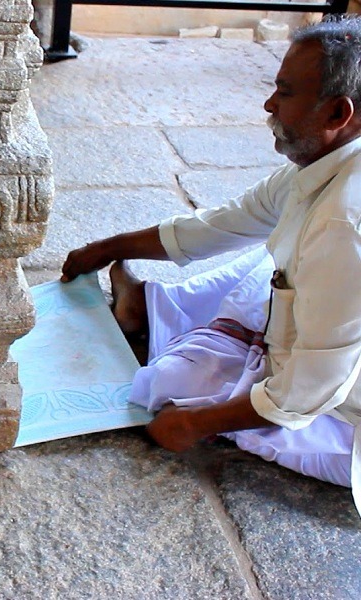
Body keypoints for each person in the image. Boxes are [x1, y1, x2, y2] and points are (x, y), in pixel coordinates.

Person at [60, 17, 361, 514]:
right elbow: (227, 224)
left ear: (336, 112)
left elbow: (307, 391)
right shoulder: (329, 167)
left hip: (338, 405)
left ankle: (162, 321)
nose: (269, 105)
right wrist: (109, 246)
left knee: (170, 387)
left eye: (284, 93)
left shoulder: (343, 226)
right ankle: (151, 307)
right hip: (329, 330)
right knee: (261, 262)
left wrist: (196, 425)